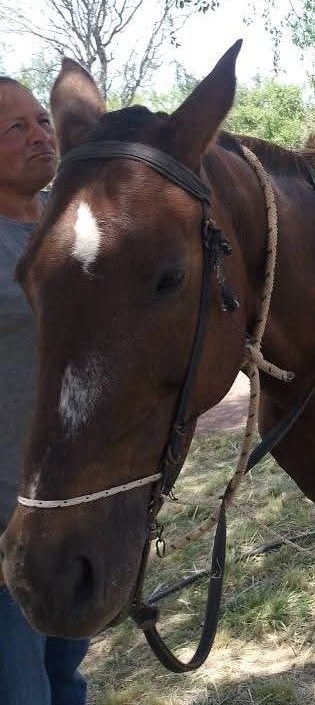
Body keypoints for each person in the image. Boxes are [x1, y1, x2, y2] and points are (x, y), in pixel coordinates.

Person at [0, 76, 89, 705]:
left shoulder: (76, 221)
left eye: (41, 120)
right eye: (16, 127)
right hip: (7, 518)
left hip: (78, 509)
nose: (40, 135)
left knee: (65, 677)